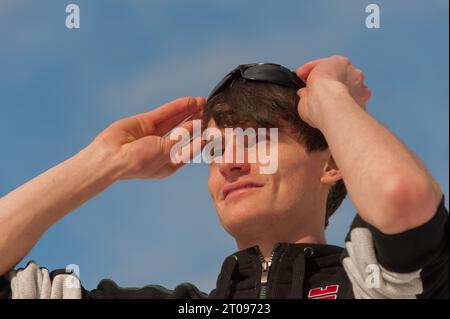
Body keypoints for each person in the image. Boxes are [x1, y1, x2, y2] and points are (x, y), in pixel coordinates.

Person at [0, 56, 447, 299]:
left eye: (256, 141)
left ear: (331, 165)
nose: (230, 163)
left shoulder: (376, 287)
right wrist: (103, 163)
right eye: (216, 150)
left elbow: (401, 198)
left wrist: (331, 97)